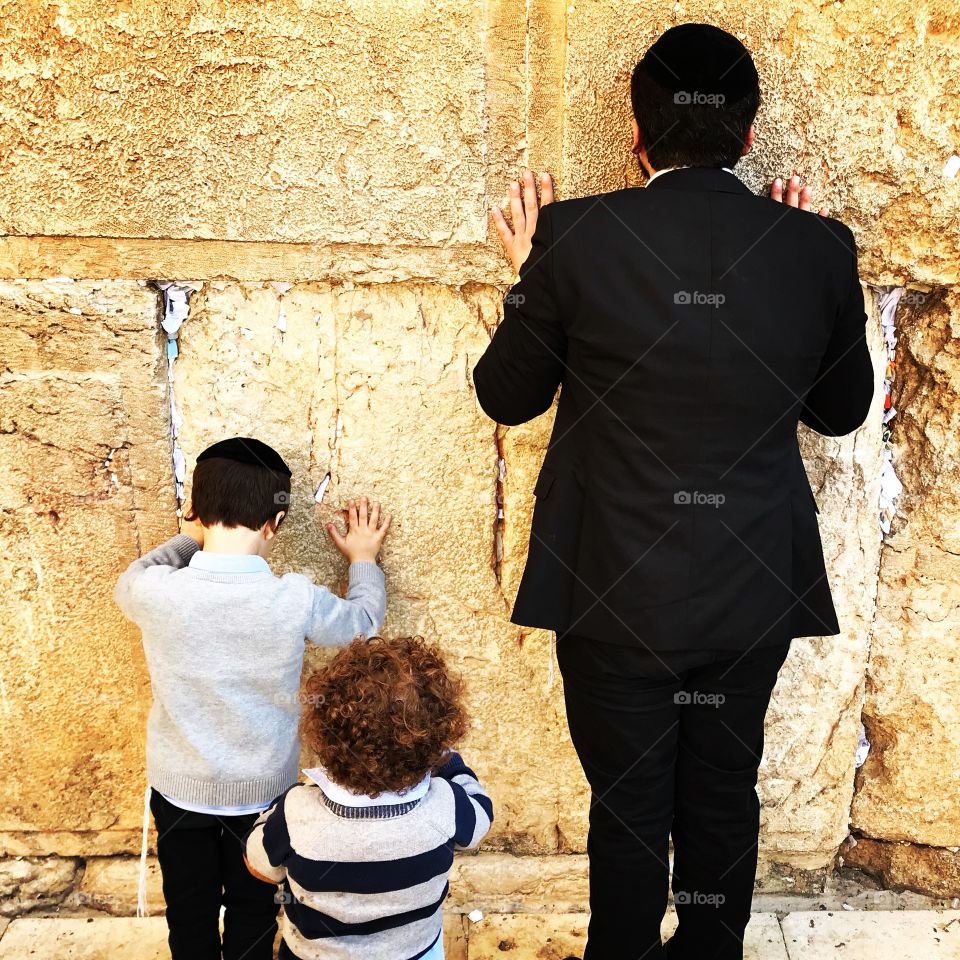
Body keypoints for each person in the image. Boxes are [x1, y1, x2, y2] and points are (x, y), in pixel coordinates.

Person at [473, 23, 874, 960]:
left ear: (635, 132)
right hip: (749, 591)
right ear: (747, 133)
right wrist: (815, 264)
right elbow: (842, 409)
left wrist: (532, 275)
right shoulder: (816, 248)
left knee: (627, 806)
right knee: (724, 791)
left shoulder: (574, 238)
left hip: (613, 593)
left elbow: (507, 395)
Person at [114, 436, 391, 960]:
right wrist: (363, 559)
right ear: (275, 524)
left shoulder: (154, 591)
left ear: (195, 510)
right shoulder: (293, 599)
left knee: (188, 912)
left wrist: (189, 538)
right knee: (254, 910)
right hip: (263, 800)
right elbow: (363, 623)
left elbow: (130, 578)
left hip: (179, 795)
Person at [243, 635, 492, 960]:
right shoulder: (447, 805)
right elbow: (481, 816)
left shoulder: (296, 813)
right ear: (435, 741)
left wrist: (287, 803)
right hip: (414, 953)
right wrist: (451, 763)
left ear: (324, 735)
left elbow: (258, 866)